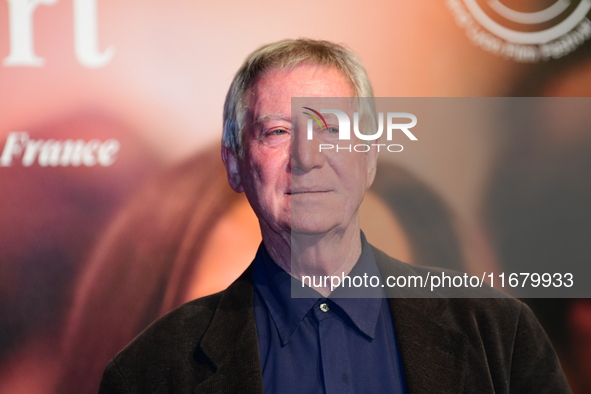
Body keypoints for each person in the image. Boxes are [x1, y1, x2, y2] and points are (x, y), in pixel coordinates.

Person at [98, 39, 570, 393]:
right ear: (236, 164)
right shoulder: (152, 372)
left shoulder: (500, 335)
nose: (307, 157)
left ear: (369, 157)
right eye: (278, 131)